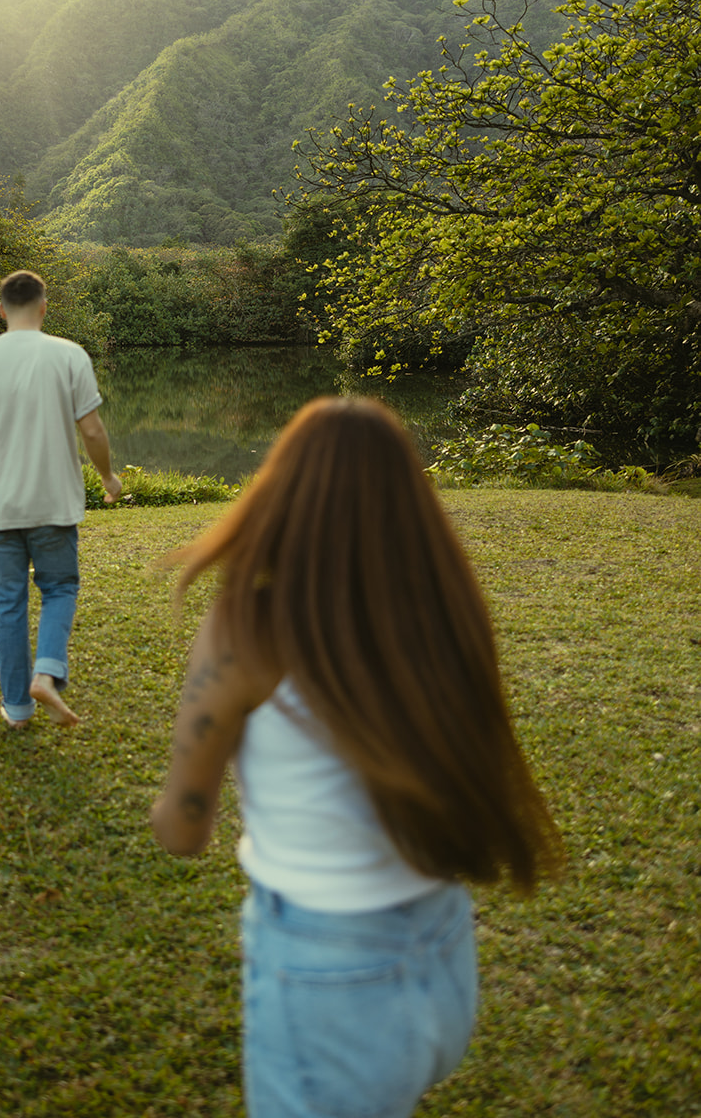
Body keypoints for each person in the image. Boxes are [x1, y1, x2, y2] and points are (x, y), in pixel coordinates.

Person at [151, 396, 562, 1118]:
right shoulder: (443, 615)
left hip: (326, 970)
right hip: (440, 948)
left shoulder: (248, 626)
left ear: (281, 493)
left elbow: (181, 830)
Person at [0, 269, 122, 729]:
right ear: (44, 306)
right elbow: (92, 429)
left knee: (8, 603)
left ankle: (17, 709)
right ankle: (48, 670)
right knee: (60, 588)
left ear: (0, 310)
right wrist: (109, 477)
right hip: (53, 503)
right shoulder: (69, 355)